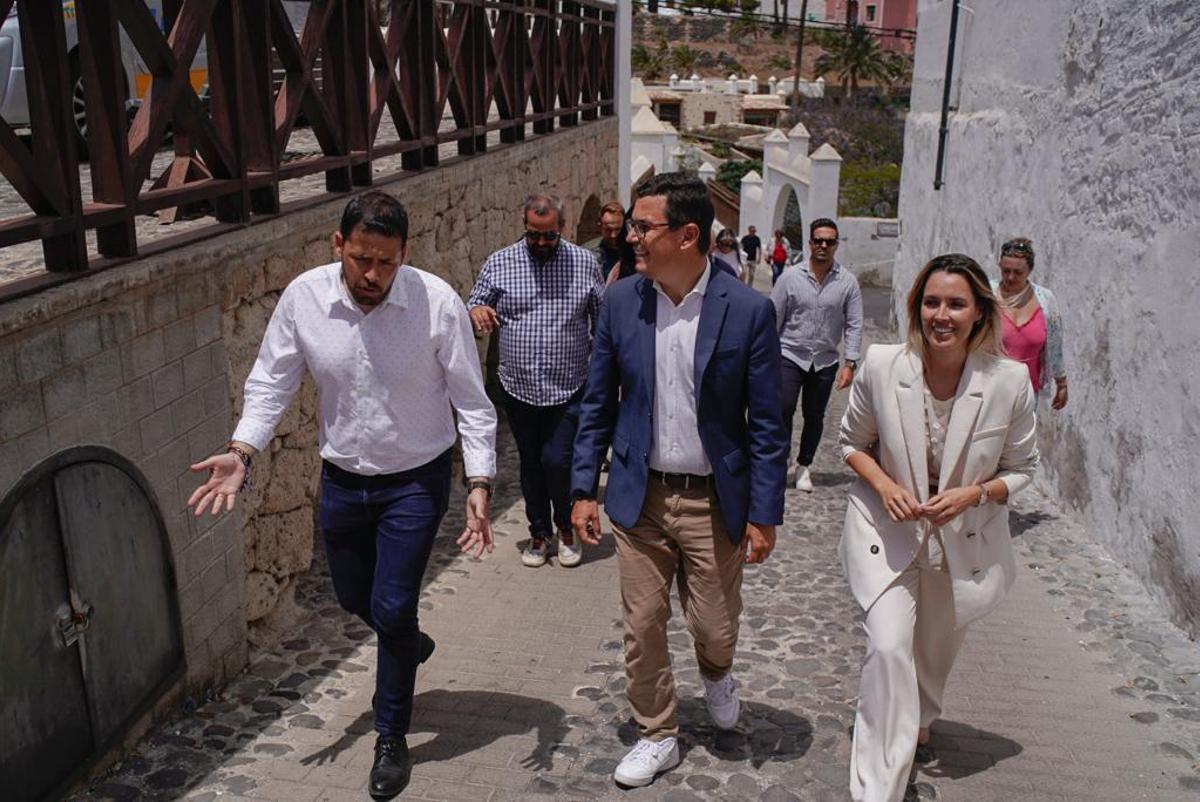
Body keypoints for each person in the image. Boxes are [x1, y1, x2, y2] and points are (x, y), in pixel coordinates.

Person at [187, 191, 498, 801]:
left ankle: (390, 735)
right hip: (343, 480)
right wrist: (243, 452)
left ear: (404, 254)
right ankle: (408, 642)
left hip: (415, 478)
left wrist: (479, 483)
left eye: (385, 262)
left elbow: (472, 403)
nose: (372, 275)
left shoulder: (436, 305)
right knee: (356, 596)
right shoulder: (304, 297)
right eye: (361, 259)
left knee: (393, 606)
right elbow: (270, 382)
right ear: (339, 247)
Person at [569, 172, 788, 789]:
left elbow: (768, 424)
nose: (631, 236)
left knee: (713, 626)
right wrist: (584, 488)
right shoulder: (620, 302)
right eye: (633, 225)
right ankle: (657, 731)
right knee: (641, 625)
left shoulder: (748, 311)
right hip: (639, 498)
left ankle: (717, 673)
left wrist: (763, 513)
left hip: (713, 501)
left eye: (644, 227)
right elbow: (597, 403)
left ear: (688, 235)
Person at [838, 253, 1038, 802]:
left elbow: (1023, 469)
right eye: (930, 302)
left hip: (961, 539)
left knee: (933, 649)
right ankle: (880, 783)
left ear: (979, 313)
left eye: (955, 303)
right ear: (915, 307)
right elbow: (851, 443)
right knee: (887, 646)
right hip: (885, 529)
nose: (940, 314)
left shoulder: (1009, 382)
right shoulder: (883, 365)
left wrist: (975, 494)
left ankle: (922, 713)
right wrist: (885, 486)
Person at [468, 195, 604, 568]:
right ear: (524, 227)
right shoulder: (501, 262)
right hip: (519, 385)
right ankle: (539, 532)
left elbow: (601, 318)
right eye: (533, 236)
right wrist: (477, 310)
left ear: (561, 228)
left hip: (569, 383)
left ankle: (565, 526)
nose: (541, 244)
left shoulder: (583, 263)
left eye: (549, 237)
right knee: (530, 463)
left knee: (557, 461)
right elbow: (474, 301)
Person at [771, 218, 863, 493]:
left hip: (824, 359)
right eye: (818, 240)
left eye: (829, 241)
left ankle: (804, 465)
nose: (823, 245)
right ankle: (781, 458)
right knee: (783, 408)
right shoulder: (790, 277)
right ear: (810, 243)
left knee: (815, 415)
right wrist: (765, 355)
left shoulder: (847, 282)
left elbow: (855, 323)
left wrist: (851, 363)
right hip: (789, 353)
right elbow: (773, 316)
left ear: (836, 244)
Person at [992, 237, 1068, 409]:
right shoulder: (987, 294)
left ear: (1030, 270)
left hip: (1026, 395)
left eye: (1017, 272)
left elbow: (1055, 344)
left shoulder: (1046, 300)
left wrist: (1061, 383)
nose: (1010, 277)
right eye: (1005, 271)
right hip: (988, 392)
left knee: (1023, 436)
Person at [592, 200, 638, 286]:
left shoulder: (636, 251)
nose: (613, 235)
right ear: (600, 227)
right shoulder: (589, 254)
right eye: (608, 230)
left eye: (617, 229)